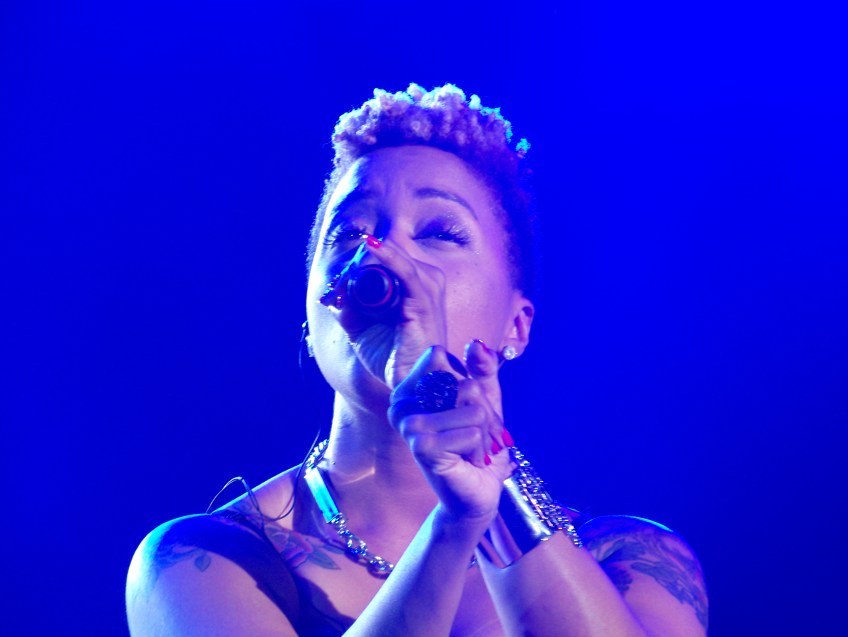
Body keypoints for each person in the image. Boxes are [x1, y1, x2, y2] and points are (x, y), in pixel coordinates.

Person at [126, 84, 708, 636]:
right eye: (349, 233)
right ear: (312, 313)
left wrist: (483, 469)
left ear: (517, 325)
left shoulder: (630, 560)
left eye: (438, 233)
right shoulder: (203, 559)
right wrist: (454, 528)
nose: (383, 256)